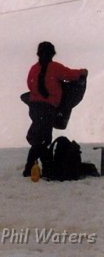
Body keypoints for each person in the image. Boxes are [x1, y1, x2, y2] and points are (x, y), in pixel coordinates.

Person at [23, 41, 88, 177]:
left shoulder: (34, 69)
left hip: (35, 107)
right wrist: (82, 72)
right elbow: (70, 74)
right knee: (43, 140)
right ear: (52, 54)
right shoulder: (55, 68)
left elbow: (30, 84)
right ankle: (39, 168)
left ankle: (36, 167)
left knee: (39, 138)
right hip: (48, 108)